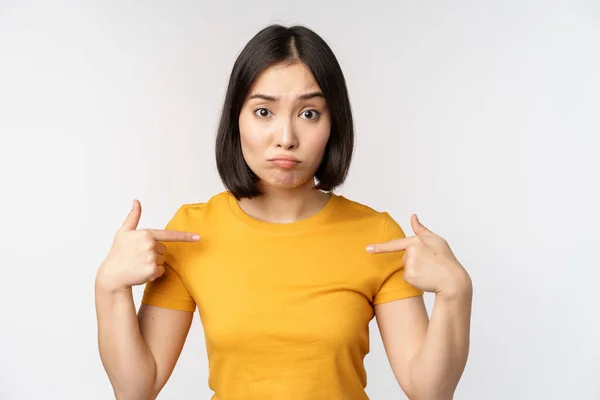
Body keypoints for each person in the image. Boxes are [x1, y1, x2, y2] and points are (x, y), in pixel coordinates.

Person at [94, 24, 473, 400]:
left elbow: (428, 392)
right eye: (263, 112)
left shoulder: (376, 235)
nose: (286, 137)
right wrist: (109, 286)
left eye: (309, 114)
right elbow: (136, 389)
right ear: (236, 119)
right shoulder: (192, 231)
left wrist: (456, 292)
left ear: (333, 124)